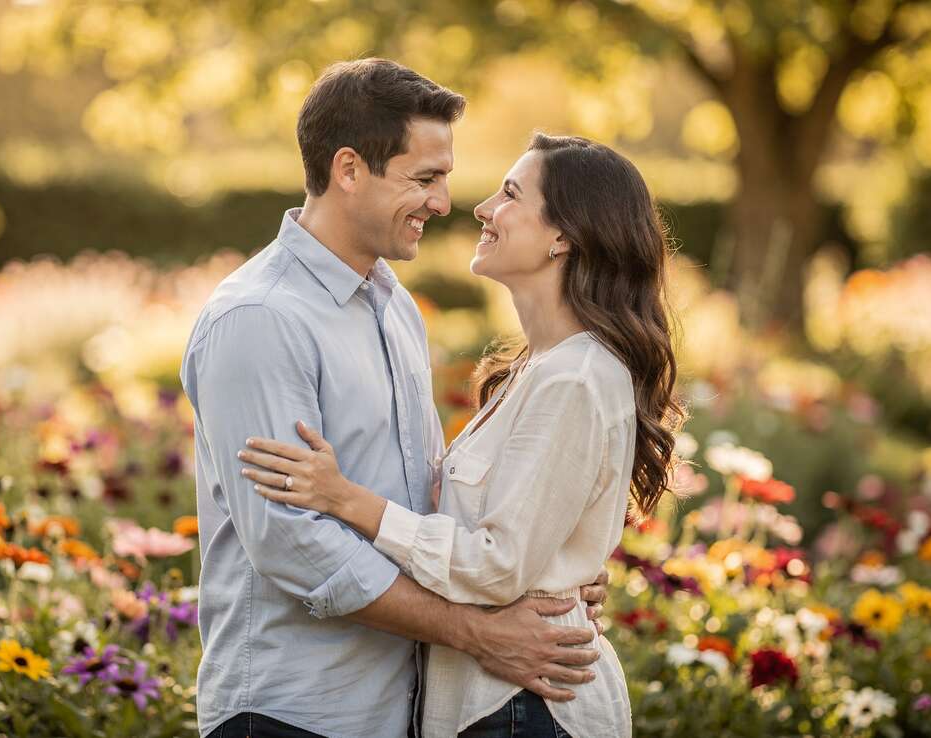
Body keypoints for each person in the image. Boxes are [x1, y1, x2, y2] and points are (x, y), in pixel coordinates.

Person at [180, 59, 610, 738]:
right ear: (349, 170)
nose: (444, 203)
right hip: (293, 712)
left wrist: (546, 570)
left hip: (400, 709)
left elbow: (425, 500)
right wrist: (475, 631)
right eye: (424, 178)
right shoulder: (262, 319)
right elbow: (292, 542)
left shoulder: (394, 307)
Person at [238, 133, 684, 737]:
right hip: (495, 700)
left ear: (563, 236)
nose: (480, 208)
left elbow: (498, 564)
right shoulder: (536, 370)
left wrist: (346, 500)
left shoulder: (574, 379)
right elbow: (515, 546)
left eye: (510, 195)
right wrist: (557, 570)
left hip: (527, 705)